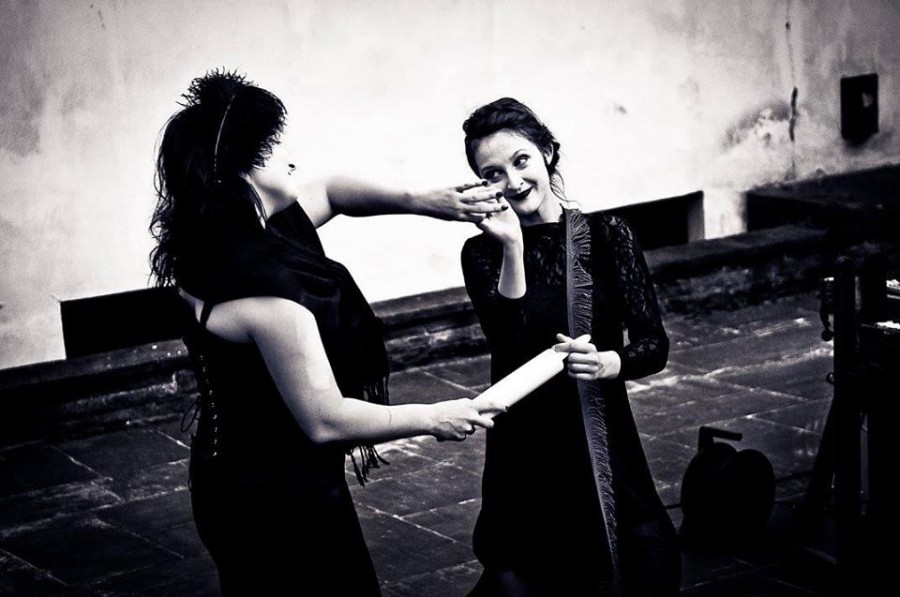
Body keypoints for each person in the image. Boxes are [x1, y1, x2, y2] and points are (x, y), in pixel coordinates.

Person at [148, 70, 507, 596]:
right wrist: (433, 417)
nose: (291, 159)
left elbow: (333, 190)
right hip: (274, 496)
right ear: (243, 171)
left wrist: (426, 200)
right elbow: (324, 419)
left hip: (229, 472)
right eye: (274, 149)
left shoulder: (218, 240)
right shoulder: (269, 296)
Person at [459, 98, 681, 596]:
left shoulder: (607, 235)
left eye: (521, 160)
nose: (513, 181)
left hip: (599, 429)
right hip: (527, 447)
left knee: (646, 565)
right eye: (493, 174)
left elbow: (654, 345)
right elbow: (509, 342)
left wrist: (607, 362)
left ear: (547, 152)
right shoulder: (481, 252)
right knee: (529, 579)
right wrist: (512, 246)